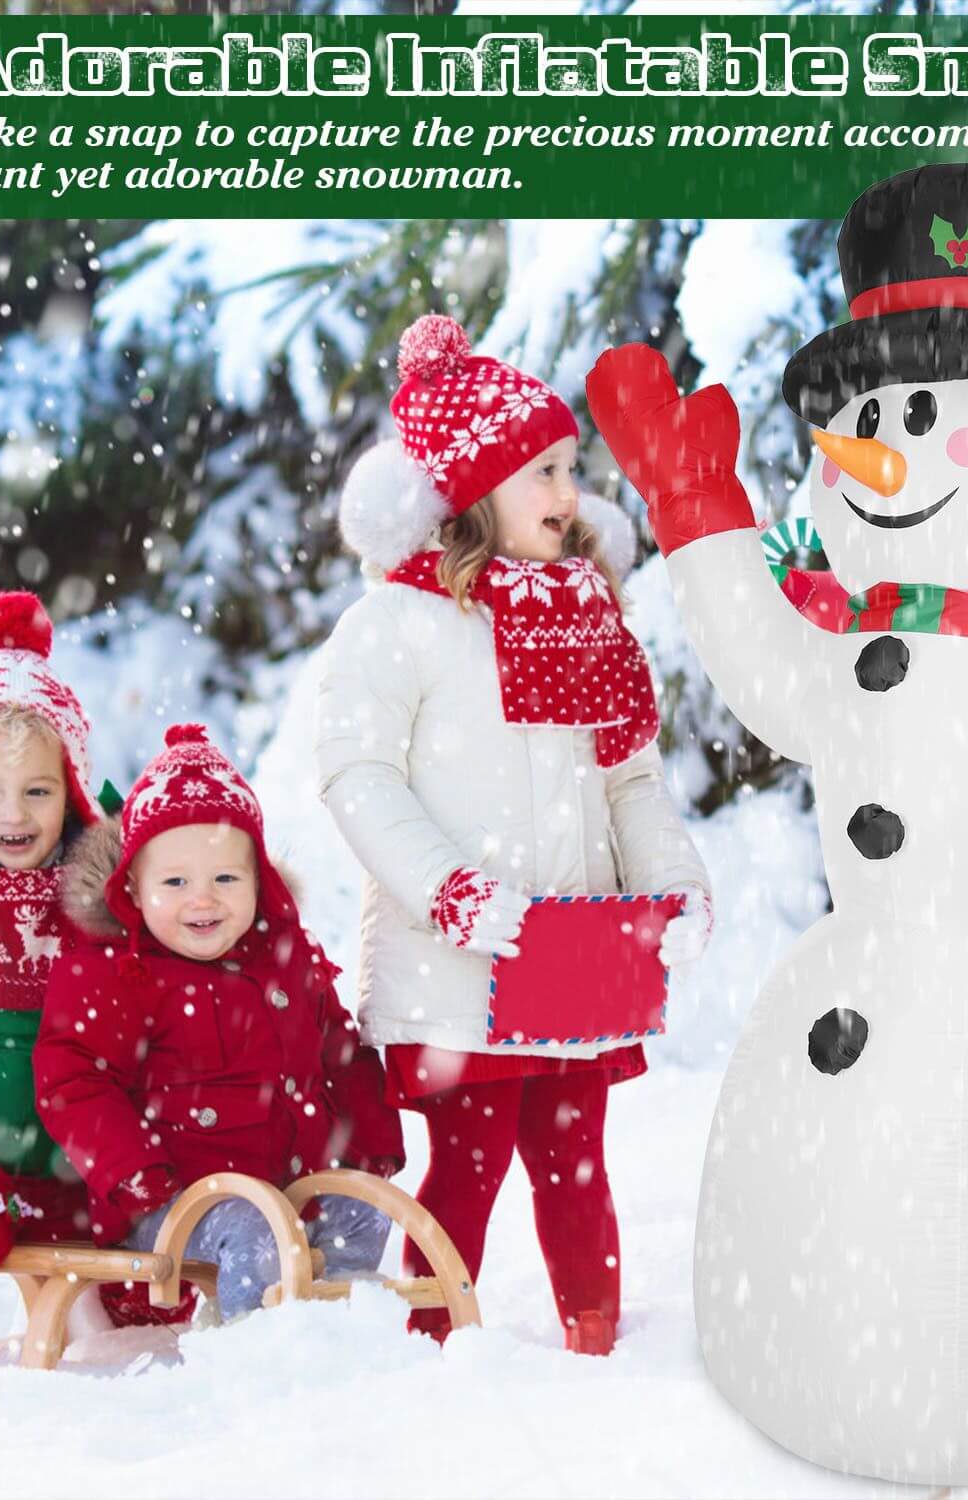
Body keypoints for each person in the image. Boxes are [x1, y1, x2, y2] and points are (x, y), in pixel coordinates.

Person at [316, 314, 713, 1356]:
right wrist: (449, 889)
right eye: (541, 472)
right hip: (457, 961)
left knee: (577, 1158)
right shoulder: (401, 622)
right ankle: (431, 1351)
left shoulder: (584, 617)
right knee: (471, 1161)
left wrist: (675, 888)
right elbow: (356, 773)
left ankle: (600, 1345)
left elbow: (627, 775)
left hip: (571, 951)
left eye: (570, 468)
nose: (567, 495)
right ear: (471, 490)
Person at [0, 591, 185, 1373]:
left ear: (73, 791)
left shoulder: (98, 886)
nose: (12, 814)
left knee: (155, 1257)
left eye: (38, 790)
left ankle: (122, 1354)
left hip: (59, 1160)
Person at [33, 723, 405, 1321]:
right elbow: (73, 1081)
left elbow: (343, 1054)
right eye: (175, 882)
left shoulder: (286, 955)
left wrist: (370, 1150)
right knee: (253, 1230)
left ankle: (339, 1332)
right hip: (172, 1199)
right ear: (133, 885)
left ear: (259, 880)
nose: (202, 900)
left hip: (291, 1183)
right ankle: (254, 1356)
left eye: (226, 879)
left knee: (364, 1208)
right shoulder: (115, 970)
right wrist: (140, 1177)